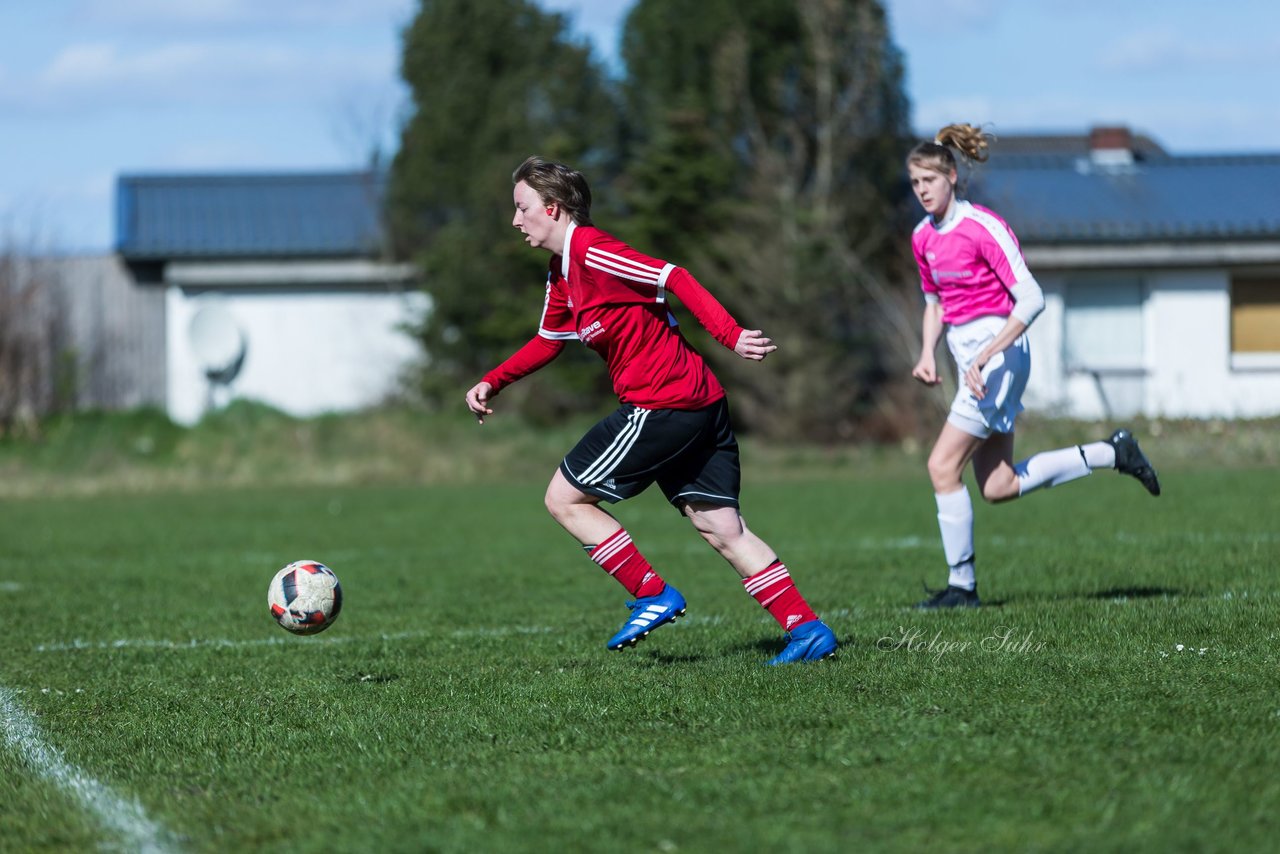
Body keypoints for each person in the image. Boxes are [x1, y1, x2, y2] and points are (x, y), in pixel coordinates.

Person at [464, 156, 838, 663]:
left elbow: (675, 278)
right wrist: (493, 381)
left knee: (564, 499)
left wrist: (730, 335)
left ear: (551, 209)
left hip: (665, 403)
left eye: (521, 207)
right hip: (698, 403)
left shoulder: (595, 253)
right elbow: (549, 342)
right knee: (722, 528)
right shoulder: (562, 274)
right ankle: (808, 630)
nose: (515, 220)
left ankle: (651, 594)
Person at [906, 124, 1161, 609]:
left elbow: (1032, 298)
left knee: (941, 466)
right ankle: (1113, 453)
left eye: (930, 181)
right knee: (998, 486)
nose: (922, 190)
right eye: (915, 182)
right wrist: (925, 353)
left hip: (999, 355)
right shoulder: (923, 237)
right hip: (970, 359)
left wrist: (985, 354)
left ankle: (962, 588)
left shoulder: (984, 228)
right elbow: (934, 302)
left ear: (952, 177)